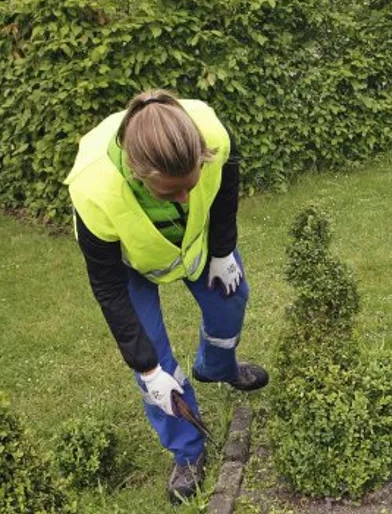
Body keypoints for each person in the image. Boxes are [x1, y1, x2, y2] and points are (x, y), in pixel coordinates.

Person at [64, 90, 269, 502]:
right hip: (130, 265)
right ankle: (188, 451)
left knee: (230, 302)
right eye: (170, 193)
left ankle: (217, 368)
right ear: (140, 174)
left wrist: (223, 249)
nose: (185, 198)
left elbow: (227, 185)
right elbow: (107, 287)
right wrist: (146, 368)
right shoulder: (93, 188)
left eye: (190, 185)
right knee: (155, 362)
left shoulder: (209, 131)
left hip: (195, 244)